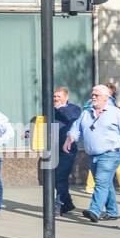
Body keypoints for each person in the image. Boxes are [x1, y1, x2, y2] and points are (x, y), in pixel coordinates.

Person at [65, 84, 120, 223]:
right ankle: (112, 211)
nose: (93, 97)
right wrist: (70, 138)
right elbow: (76, 128)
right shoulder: (87, 113)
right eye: (92, 94)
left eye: (96, 95)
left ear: (106, 97)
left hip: (111, 153)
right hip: (93, 155)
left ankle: (95, 210)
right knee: (106, 183)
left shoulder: (116, 113)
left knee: (101, 182)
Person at [85, 81, 120, 196]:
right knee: (118, 165)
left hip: (95, 141)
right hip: (111, 142)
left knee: (96, 168)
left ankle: (91, 187)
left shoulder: (89, 105)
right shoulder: (108, 102)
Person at [52, 86, 82, 216]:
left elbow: (71, 118)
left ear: (66, 97)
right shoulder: (51, 109)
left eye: (59, 96)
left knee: (61, 176)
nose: (56, 99)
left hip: (68, 148)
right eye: (54, 96)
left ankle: (58, 204)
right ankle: (68, 203)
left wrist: (60, 108)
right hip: (53, 148)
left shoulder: (74, 109)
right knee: (55, 178)